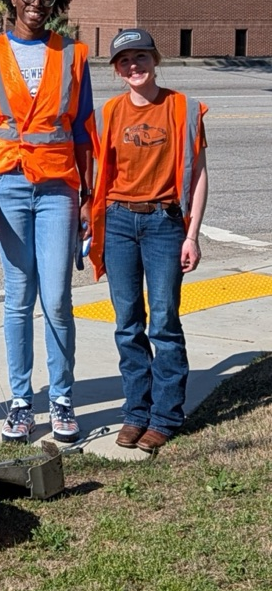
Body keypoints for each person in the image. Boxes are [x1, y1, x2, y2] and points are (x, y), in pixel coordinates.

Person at [0, 0, 96, 444]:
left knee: (58, 297)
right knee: (19, 298)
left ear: (55, 1)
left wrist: (86, 196)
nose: (35, 4)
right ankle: (22, 402)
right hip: (9, 187)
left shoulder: (72, 55)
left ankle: (61, 397)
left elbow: (83, 131)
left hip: (59, 187)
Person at [89, 28, 209, 453]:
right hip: (119, 223)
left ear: (155, 60)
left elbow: (197, 176)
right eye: (125, 60)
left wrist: (191, 235)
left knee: (164, 323)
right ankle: (135, 412)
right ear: (117, 70)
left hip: (164, 223)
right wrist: (93, 224)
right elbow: (96, 176)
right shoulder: (106, 115)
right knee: (126, 324)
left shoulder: (183, 108)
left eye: (140, 57)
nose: (133, 66)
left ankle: (165, 416)